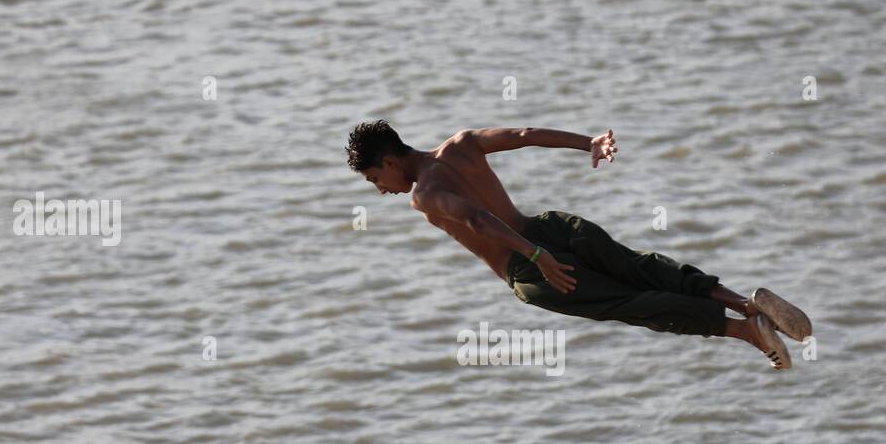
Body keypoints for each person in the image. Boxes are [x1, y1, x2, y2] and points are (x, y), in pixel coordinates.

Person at [345, 120, 811, 369]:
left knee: (631, 303)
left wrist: (535, 257)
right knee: (640, 266)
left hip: (529, 266)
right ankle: (744, 303)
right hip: (550, 226)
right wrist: (586, 141)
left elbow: (476, 218)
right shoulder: (462, 143)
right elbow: (525, 136)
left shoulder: (423, 196)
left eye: (374, 178)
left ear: (388, 160)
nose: (381, 190)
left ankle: (745, 331)